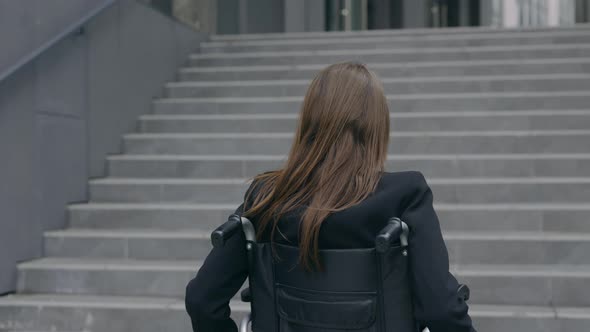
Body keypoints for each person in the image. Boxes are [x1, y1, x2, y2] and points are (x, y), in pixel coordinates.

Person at [185, 62, 476, 332]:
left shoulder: (267, 197)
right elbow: (441, 310)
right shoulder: (405, 195)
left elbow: (202, 300)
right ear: (376, 126)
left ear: (309, 122)